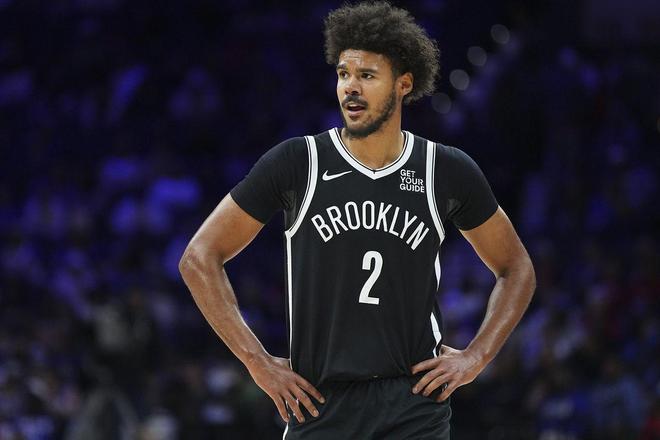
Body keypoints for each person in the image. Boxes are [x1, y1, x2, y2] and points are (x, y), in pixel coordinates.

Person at [179, 1, 536, 438]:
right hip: (320, 402)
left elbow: (517, 268)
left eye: (367, 75)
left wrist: (475, 357)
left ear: (403, 84)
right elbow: (199, 257)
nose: (350, 87)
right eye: (344, 74)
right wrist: (257, 361)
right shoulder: (299, 162)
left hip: (413, 406)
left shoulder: (443, 169)